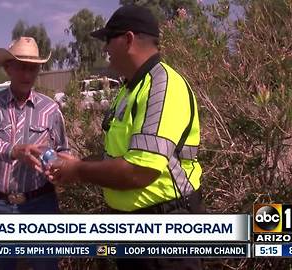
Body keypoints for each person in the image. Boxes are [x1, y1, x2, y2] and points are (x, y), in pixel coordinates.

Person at [48, 5, 204, 270]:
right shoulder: (129, 89)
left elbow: (139, 171)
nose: (105, 49)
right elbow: (120, 156)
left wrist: (78, 171)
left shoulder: (162, 85)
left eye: (108, 39)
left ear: (128, 39)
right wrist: (76, 163)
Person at [0, 36, 68, 270]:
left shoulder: (50, 109)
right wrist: (16, 151)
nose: (28, 75)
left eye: (33, 68)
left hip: (41, 204)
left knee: (46, 266)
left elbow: (62, 150)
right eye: (22, 67)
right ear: (8, 68)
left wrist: (61, 167)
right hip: (0, 206)